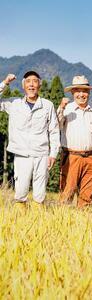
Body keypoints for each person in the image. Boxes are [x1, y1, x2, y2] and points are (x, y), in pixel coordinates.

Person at [0, 71, 60, 207]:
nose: (31, 85)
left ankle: (39, 221)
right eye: (28, 81)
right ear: (23, 86)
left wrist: (53, 154)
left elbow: (54, 131)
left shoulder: (47, 105)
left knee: (40, 194)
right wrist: (5, 83)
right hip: (21, 154)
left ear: (40, 84)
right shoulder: (14, 103)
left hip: (41, 154)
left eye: (34, 81)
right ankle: (21, 220)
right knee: (21, 192)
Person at [57, 75, 92, 208]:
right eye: (78, 91)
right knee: (67, 192)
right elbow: (58, 125)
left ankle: (82, 223)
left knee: (86, 196)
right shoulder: (67, 108)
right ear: (72, 92)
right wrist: (61, 108)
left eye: (84, 91)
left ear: (89, 92)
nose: (81, 94)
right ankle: (62, 221)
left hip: (90, 157)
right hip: (72, 157)